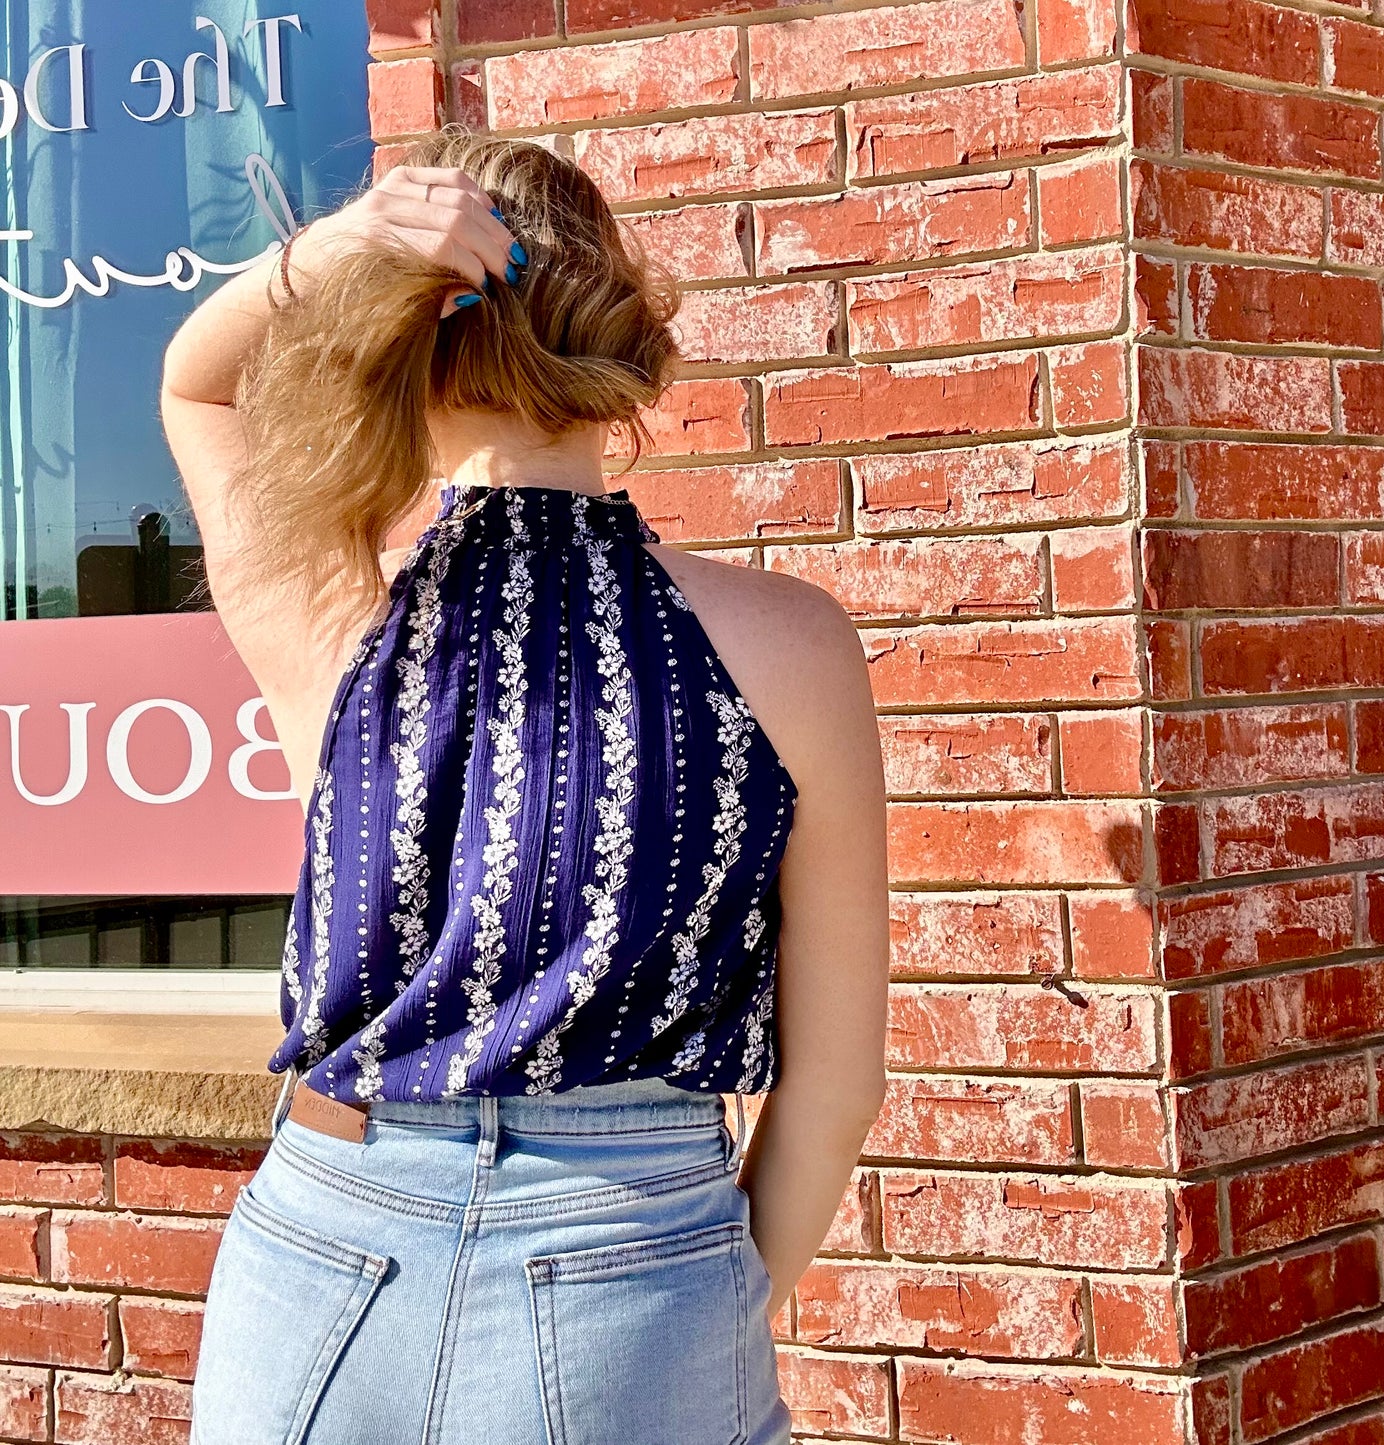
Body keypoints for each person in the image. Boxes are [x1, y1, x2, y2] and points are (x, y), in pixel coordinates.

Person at [160, 124, 888, 1445]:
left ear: (396, 348)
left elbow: (195, 387)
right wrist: (697, 1303)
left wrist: (337, 246)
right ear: (613, 350)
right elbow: (835, 1089)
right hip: (633, 1246)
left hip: (324, 1248)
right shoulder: (793, 643)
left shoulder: (335, 613)